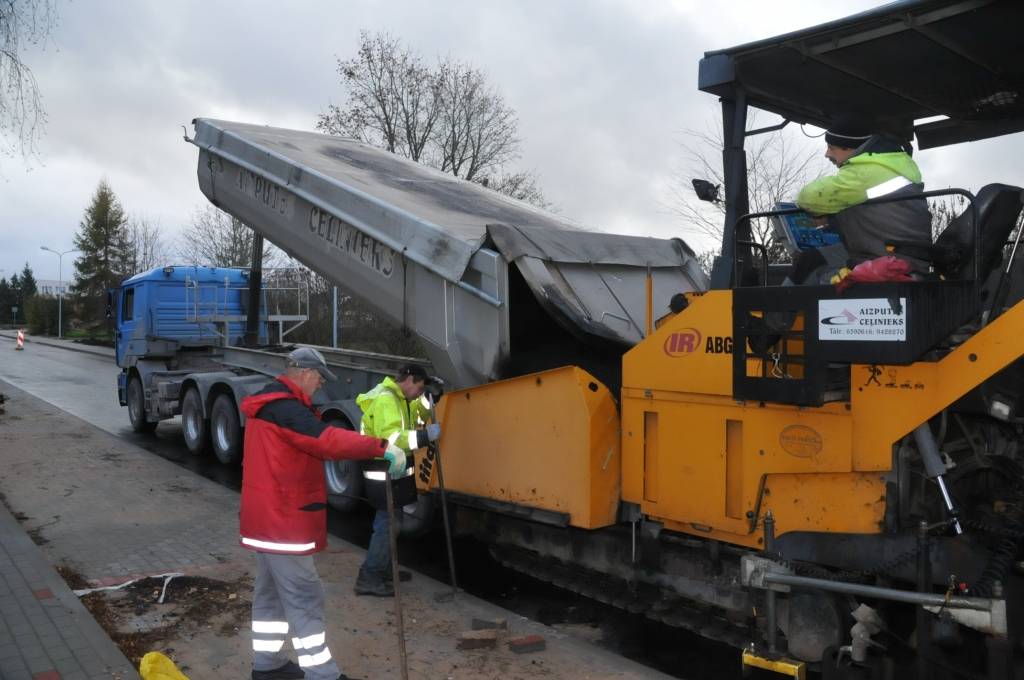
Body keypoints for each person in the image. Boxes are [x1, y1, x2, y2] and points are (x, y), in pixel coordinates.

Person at [240, 347, 407, 680]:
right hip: (283, 523)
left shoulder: (271, 403)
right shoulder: (286, 409)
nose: (319, 385)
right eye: (318, 378)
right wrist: (381, 447)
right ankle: (323, 674)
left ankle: (267, 665)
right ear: (303, 373)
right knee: (305, 597)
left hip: (266, 520)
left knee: (270, 595)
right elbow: (327, 440)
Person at [791, 113, 933, 284]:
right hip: (902, 254)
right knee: (813, 257)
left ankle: (781, 308)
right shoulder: (893, 163)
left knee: (814, 273)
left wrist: (820, 213)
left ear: (848, 148)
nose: (827, 154)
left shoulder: (864, 173)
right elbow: (877, 212)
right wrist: (832, 219)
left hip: (885, 259)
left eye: (831, 147)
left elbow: (808, 198)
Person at [353, 364, 441, 597]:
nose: (419, 393)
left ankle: (383, 569)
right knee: (386, 525)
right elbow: (392, 438)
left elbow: (418, 411)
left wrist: (432, 398)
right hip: (383, 470)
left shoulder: (401, 399)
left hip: (395, 470)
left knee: (393, 523)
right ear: (410, 379)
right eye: (420, 388)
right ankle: (369, 577)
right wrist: (424, 436)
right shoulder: (387, 400)